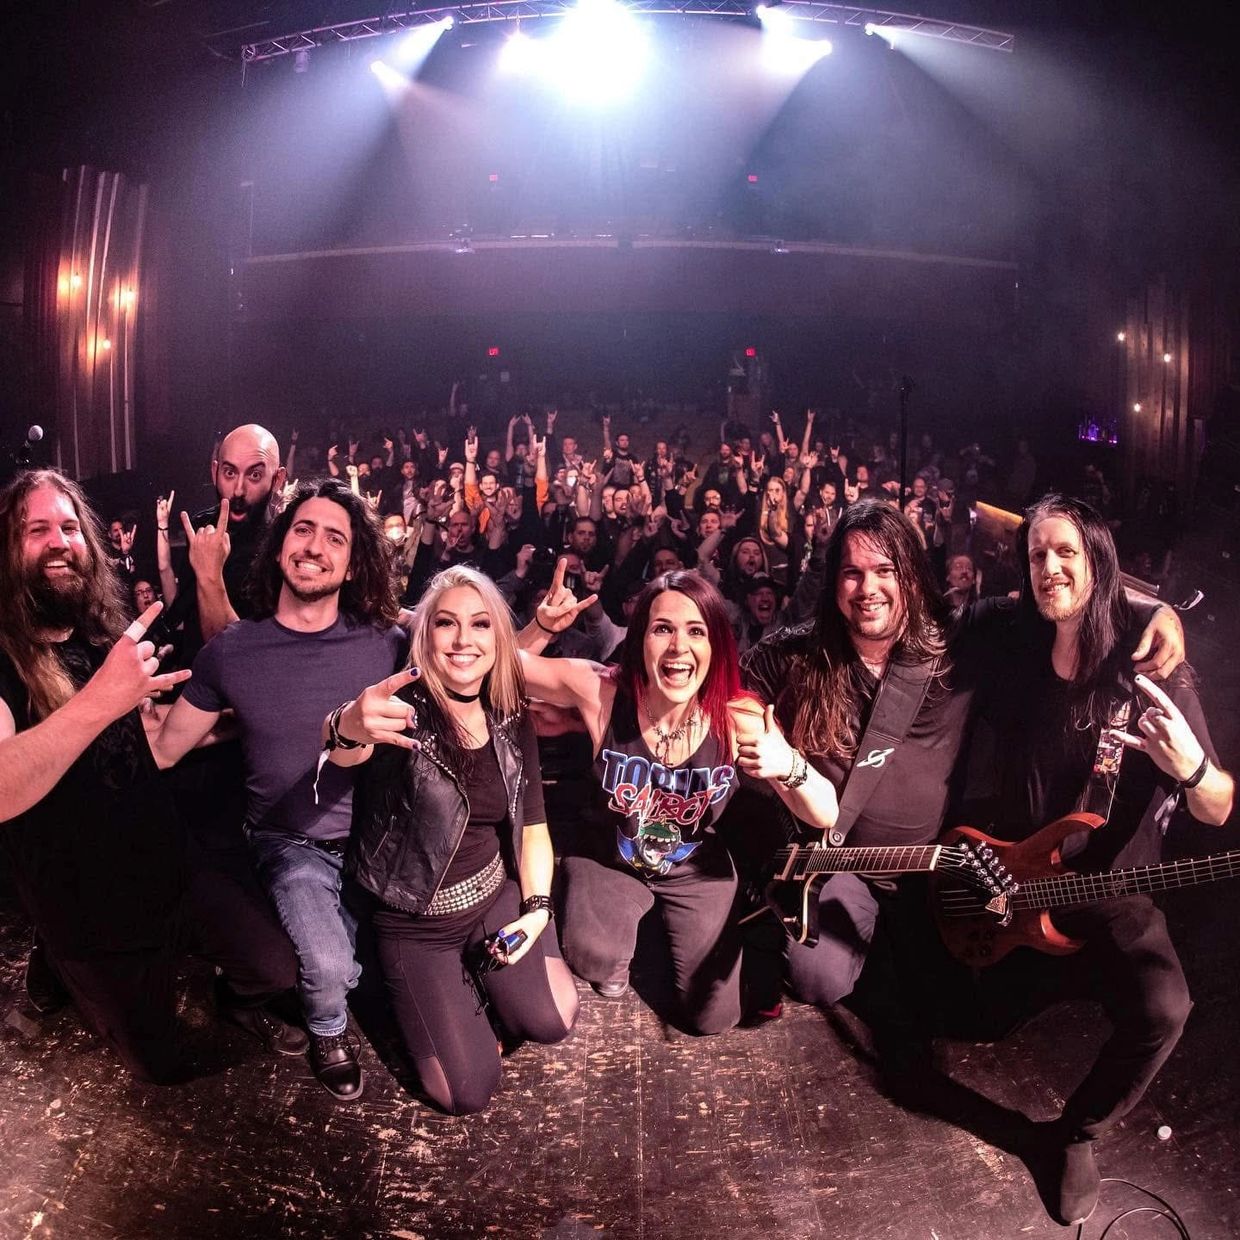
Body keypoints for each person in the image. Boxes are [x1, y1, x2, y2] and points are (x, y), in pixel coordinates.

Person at [739, 501, 1186, 1080]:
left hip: (937, 871)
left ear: (910, 573)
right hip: (842, 865)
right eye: (852, 573)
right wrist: (750, 724)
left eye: (885, 571)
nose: (867, 588)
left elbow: (1063, 596)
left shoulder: (959, 636)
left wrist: (1157, 608)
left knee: (976, 1018)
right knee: (817, 976)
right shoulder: (798, 651)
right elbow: (732, 680)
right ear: (833, 582)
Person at [955, 494, 1233, 1225]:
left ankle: (1077, 1133)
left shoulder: (1146, 666)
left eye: (1066, 554)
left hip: (1116, 886)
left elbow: (1221, 805)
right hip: (1016, 878)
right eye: (1038, 554)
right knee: (967, 1021)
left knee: (1164, 1010)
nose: (1049, 568)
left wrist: (1195, 769)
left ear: (1096, 562)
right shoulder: (1014, 635)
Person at [0, 470, 304, 1084]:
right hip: (89, 910)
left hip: (170, 868)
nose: (59, 541)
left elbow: (146, 743)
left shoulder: (99, 637)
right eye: (38, 530)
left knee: (276, 972)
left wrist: (253, 722)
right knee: (159, 1066)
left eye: (69, 527)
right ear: (9, 550)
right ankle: (58, 965)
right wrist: (103, 700)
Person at [147, 478, 408, 1101]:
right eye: (303, 529)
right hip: (289, 843)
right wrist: (109, 706)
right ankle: (327, 1030)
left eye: (335, 537)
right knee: (327, 967)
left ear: (352, 565)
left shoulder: (388, 644)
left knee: (377, 963)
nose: (315, 546)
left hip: (378, 841)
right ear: (280, 546)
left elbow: (473, 660)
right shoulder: (233, 652)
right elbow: (163, 747)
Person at [520, 564, 838, 1034]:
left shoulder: (738, 716)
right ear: (639, 639)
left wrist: (787, 766)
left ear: (715, 646)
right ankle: (620, 935)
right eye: (662, 629)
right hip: (611, 857)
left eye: (696, 631)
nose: (678, 648)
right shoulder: (601, 692)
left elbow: (826, 811)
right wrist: (540, 627)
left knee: (711, 1019)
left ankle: (673, 928)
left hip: (694, 867)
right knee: (595, 958)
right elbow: (495, 667)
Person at [325, 566, 579, 1114]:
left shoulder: (510, 712)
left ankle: (485, 984)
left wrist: (536, 912)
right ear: (425, 635)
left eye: (481, 624)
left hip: (493, 897)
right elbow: (347, 747)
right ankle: (451, 990)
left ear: (498, 638)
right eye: (446, 624)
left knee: (553, 1020)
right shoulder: (399, 715)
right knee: (463, 1093)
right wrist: (346, 726)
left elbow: (532, 821)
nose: (464, 639)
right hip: (417, 926)